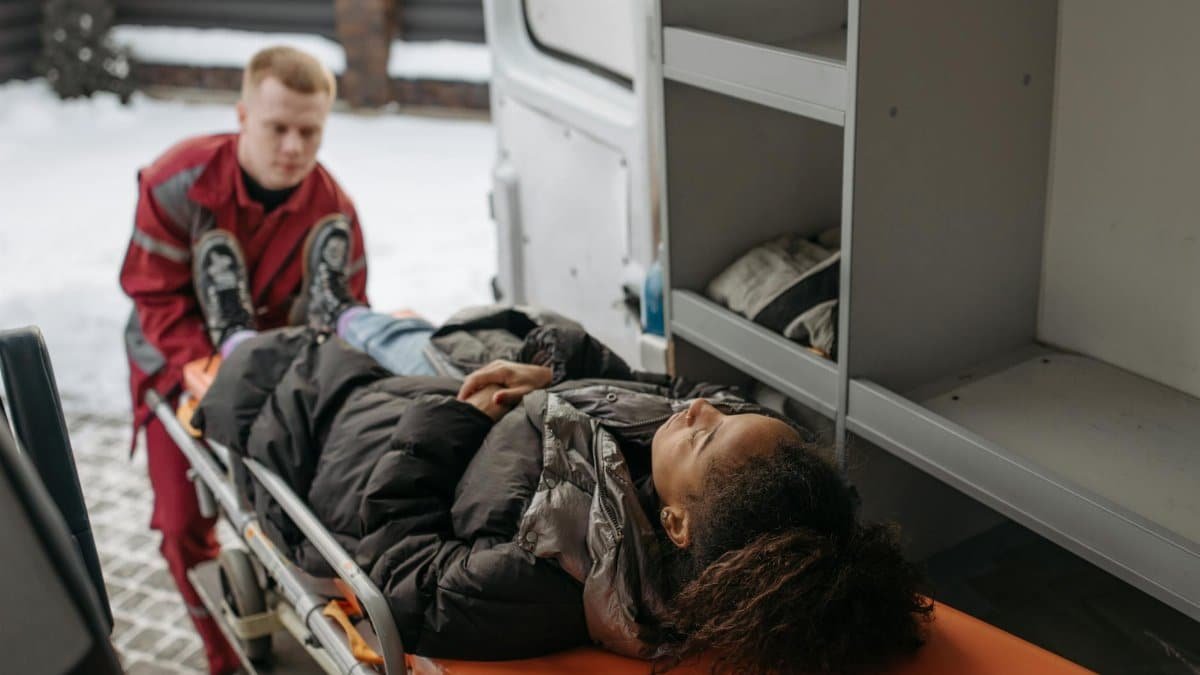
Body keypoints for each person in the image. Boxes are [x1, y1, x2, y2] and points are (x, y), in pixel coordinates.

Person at [189, 239, 933, 674]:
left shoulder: (552, 572)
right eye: (733, 410)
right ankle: (338, 310)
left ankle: (240, 334)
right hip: (468, 390)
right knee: (396, 335)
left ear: (676, 526)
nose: (701, 408)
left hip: (373, 443)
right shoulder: (696, 467)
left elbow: (404, 574)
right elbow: (678, 389)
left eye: (708, 430)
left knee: (283, 368)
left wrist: (450, 421)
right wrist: (555, 376)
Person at [118, 45, 368, 674]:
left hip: (281, 377)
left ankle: (305, 624)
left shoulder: (334, 212)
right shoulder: (176, 182)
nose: (293, 146)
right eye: (277, 127)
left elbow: (349, 311)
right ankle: (222, 659)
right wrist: (212, 368)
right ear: (242, 116)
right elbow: (153, 295)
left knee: (307, 516)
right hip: (175, 361)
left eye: (309, 131)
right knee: (180, 526)